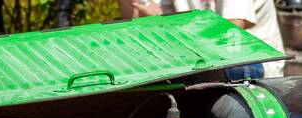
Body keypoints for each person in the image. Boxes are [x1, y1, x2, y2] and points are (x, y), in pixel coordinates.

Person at [119, 0, 287, 79]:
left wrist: (162, 23)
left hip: (252, 66)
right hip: (200, 61)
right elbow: (138, 17)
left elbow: (229, 33)